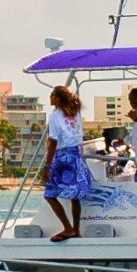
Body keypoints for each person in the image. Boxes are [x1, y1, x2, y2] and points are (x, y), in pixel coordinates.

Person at [41, 85, 92, 240]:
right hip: (75, 155)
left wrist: (47, 166)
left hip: (63, 157)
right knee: (74, 196)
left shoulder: (55, 116)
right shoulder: (74, 112)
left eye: (52, 95)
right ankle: (75, 229)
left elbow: (53, 142)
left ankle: (68, 228)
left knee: (49, 194)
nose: (50, 98)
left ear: (57, 98)